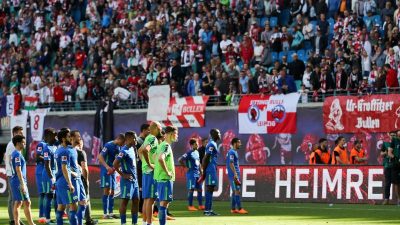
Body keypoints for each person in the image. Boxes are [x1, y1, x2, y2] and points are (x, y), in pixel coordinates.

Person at [113, 131, 140, 225]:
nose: (136, 140)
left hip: (134, 180)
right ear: (128, 139)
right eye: (134, 138)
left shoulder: (132, 149)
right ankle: (123, 223)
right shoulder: (123, 151)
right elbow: (115, 163)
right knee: (125, 201)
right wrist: (123, 174)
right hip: (127, 181)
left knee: (136, 200)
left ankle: (134, 222)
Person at [154, 126, 179, 225]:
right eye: (176, 133)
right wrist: (167, 171)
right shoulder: (166, 146)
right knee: (164, 204)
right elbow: (160, 158)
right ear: (170, 134)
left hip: (161, 178)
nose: (177, 136)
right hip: (165, 178)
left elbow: (155, 156)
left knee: (163, 203)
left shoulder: (162, 145)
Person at [138, 121, 162, 225]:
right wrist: (150, 164)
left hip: (145, 171)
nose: (161, 130)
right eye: (160, 128)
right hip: (150, 171)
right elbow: (144, 151)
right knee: (151, 199)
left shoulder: (148, 138)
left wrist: (144, 163)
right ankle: (149, 223)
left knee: (147, 199)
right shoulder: (153, 139)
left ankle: (144, 222)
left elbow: (140, 150)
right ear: (156, 128)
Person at [97, 134, 126, 219]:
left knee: (112, 192)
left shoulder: (119, 147)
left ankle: (110, 213)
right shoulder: (108, 145)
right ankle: (105, 214)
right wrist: (107, 167)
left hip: (113, 171)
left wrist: (115, 167)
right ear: (119, 139)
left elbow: (118, 160)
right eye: (123, 142)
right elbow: (100, 157)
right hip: (106, 171)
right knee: (107, 191)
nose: (123, 144)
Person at [55, 128, 78, 225]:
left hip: (59, 181)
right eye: (69, 137)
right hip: (65, 182)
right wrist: (70, 183)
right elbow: (64, 168)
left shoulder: (58, 150)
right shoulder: (65, 151)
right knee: (74, 207)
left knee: (61, 207)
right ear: (64, 139)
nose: (71, 138)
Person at [11, 135, 35, 225]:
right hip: (18, 181)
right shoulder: (17, 154)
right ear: (18, 143)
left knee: (18, 202)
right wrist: (22, 183)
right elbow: (18, 169)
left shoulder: (16, 153)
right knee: (27, 202)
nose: (25, 144)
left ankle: (17, 223)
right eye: (23, 142)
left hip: (17, 181)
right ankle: (31, 223)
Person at [76, 136, 98, 225]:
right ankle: (88, 220)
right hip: (80, 179)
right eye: (81, 143)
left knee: (71, 202)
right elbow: (84, 169)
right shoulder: (81, 153)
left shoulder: (67, 151)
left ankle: (74, 220)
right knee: (86, 199)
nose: (82, 145)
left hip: (68, 179)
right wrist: (86, 180)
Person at [5, 126, 24, 225]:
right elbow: (13, 162)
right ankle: (13, 220)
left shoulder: (11, 144)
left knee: (13, 198)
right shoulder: (13, 145)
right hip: (13, 174)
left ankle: (15, 219)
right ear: (15, 133)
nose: (22, 135)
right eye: (20, 133)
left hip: (11, 173)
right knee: (14, 198)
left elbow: (6, 157)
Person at [178, 138, 204, 211]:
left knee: (200, 190)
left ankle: (200, 205)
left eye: (198, 143)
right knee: (191, 189)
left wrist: (201, 172)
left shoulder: (197, 152)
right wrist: (185, 167)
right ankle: (190, 206)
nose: (198, 145)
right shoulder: (189, 153)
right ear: (192, 145)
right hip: (191, 174)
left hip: (197, 174)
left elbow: (198, 163)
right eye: (196, 144)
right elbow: (180, 159)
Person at [201, 129, 221, 216]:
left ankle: (209, 210)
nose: (220, 134)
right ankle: (207, 211)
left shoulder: (213, 143)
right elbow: (206, 157)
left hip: (211, 169)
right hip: (210, 169)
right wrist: (204, 170)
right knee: (209, 188)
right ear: (214, 134)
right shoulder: (212, 144)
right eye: (218, 133)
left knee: (211, 189)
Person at [226, 138, 248, 214]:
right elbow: (231, 163)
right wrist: (235, 174)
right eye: (239, 142)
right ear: (235, 143)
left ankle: (233, 209)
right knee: (237, 191)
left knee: (234, 191)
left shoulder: (233, 151)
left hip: (234, 174)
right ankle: (240, 208)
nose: (240, 144)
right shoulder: (232, 152)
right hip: (233, 175)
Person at [70, 131, 88, 225]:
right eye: (79, 136)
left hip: (79, 180)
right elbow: (62, 166)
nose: (80, 138)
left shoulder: (75, 151)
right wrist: (73, 173)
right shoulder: (66, 150)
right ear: (72, 137)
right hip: (71, 181)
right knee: (72, 206)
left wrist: (78, 169)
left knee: (83, 202)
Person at [41, 128, 58, 224]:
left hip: (55, 173)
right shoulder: (46, 148)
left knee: (56, 196)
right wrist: (52, 177)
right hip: (48, 175)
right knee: (49, 196)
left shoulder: (55, 147)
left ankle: (56, 217)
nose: (55, 137)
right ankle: (47, 219)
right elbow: (47, 165)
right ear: (48, 136)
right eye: (53, 135)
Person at [136, 124, 150, 214]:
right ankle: (140, 210)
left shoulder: (146, 140)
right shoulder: (137, 140)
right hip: (140, 169)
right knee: (141, 189)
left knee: (147, 189)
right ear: (143, 130)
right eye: (148, 130)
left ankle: (146, 210)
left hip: (146, 168)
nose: (149, 132)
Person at [381, 131, 397, 205]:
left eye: (394, 135)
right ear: (389, 136)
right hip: (387, 165)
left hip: (396, 165)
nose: (393, 136)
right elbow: (381, 153)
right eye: (392, 135)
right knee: (387, 183)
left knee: (397, 183)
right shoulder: (385, 143)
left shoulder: (398, 144)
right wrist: (386, 152)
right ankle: (386, 199)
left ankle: (398, 199)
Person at [35, 134, 46, 223]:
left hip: (48, 172)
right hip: (41, 172)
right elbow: (38, 157)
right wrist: (48, 159)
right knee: (43, 194)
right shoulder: (41, 144)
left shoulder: (52, 145)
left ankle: (47, 215)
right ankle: (42, 216)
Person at [388, 130, 400, 205]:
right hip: (396, 164)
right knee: (396, 182)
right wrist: (395, 158)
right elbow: (389, 153)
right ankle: (399, 199)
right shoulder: (394, 141)